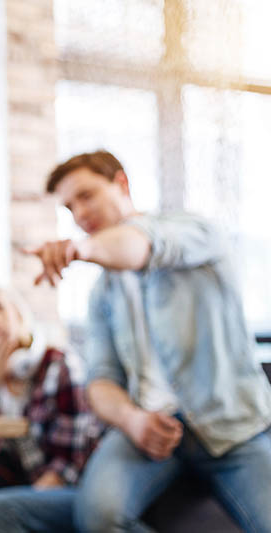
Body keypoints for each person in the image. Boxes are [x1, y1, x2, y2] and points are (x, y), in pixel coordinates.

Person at [27, 150, 271, 532]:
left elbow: (142, 246)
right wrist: (132, 419)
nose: (78, 214)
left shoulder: (195, 232)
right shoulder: (102, 293)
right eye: (69, 208)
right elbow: (101, 380)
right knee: (98, 518)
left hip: (234, 426)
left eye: (86, 196)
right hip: (147, 429)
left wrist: (79, 250)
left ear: (121, 183)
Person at [0, 275, 103, 533]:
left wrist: (24, 498)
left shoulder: (58, 362)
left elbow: (69, 462)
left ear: (16, 311)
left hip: (75, 489)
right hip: (25, 487)